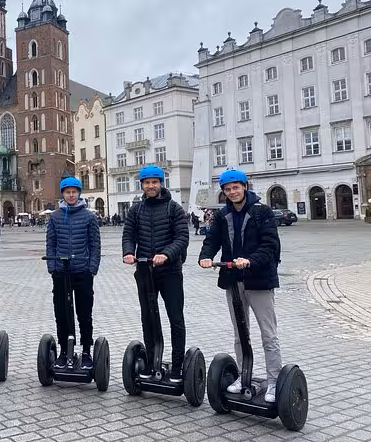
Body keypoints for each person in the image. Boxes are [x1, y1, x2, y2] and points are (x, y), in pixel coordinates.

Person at [198, 169, 282, 403]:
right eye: (227, 189)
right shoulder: (223, 214)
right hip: (233, 281)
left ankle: (274, 381)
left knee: (268, 334)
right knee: (240, 334)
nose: (232, 192)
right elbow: (211, 240)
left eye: (236, 187)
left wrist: (250, 260)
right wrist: (205, 256)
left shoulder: (262, 212)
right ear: (224, 192)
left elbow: (270, 245)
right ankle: (244, 377)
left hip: (259, 279)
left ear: (245, 187)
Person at [121, 166, 189, 383]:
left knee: (175, 318)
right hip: (144, 270)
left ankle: (178, 365)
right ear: (142, 185)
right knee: (148, 317)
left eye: (155, 182)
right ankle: (151, 361)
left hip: (169, 271)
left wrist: (166, 254)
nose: (151, 186)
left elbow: (182, 238)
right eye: (147, 182)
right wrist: (128, 252)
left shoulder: (174, 208)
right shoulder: (136, 210)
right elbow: (128, 234)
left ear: (161, 183)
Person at [45, 177, 101, 370]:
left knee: (84, 313)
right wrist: (52, 267)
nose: (71, 195)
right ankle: (64, 351)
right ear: (63, 194)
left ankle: (86, 351)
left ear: (79, 194)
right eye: (67, 192)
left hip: (82, 272)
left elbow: (95, 245)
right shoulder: (55, 217)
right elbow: (50, 244)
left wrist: (92, 268)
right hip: (61, 273)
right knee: (62, 313)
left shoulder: (89, 217)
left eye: (74, 192)